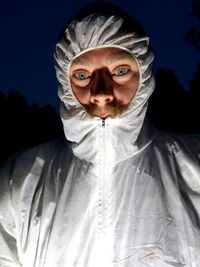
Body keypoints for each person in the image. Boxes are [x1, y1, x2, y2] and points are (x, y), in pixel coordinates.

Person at [0, 1, 200, 266]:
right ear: (64, 80)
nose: (102, 91)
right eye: (82, 75)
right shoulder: (20, 178)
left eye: (120, 71)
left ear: (144, 73)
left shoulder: (194, 168)